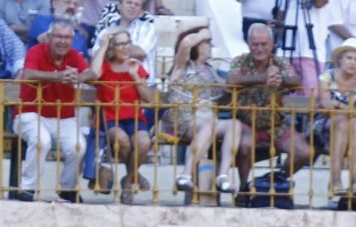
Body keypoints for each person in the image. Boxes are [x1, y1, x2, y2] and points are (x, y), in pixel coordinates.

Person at [12, 14, 93, 201]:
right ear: (49, 37)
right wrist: (59, 76)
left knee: (78, 146)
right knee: (42, 141)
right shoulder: (36, 51)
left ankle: (67, 189)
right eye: (58, 36)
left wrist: (78, 77)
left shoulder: (74, 55)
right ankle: (27, 188)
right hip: (30, 113)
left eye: (67, 38)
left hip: (63, 116)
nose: (62, 41)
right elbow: (28, 74)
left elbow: (92, 72)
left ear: (72, 40)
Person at [224, 23, 310, 195]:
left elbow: (296, 80)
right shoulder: (240, 61)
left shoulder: (280, 62)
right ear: (249, 44)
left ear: (271, 45)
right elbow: (231, 81)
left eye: (264, 44)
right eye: (255, 44)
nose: (259, 48)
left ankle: (275, 179)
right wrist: (263, 78)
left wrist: (280, 80)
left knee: (304, 152)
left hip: (275, 125)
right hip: (246, 123)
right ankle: (243, 188)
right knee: (245, 146)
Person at [162, 27, 232, 196]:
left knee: (234, 125)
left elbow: (223, 96)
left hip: (207, 119)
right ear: (197, 45)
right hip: (183, 117)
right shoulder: (183, 65)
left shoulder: (211, 71)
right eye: (207, 42)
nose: (211, 45)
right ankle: (185, 176)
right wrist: (204, 31)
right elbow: (186, 42)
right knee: (207, 127)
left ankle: (223, 176)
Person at [89, 27, 154, 201]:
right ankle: (135, 177)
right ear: (111, 48)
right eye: (120, 44)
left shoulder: (135, 66)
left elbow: (148, 99)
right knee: (122, 140)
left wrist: (135, 77)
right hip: (109, 118)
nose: (126, 47)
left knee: (144, 142)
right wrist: (102, 47)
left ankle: (128, 179)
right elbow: (94, 76)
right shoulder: (102, 65)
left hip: (134, 117)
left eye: (127, 43)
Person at [319, 37, 356, 200]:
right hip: (324, 125)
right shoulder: (327, 77)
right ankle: (335, 180)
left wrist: (340, 106)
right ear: (340, 59)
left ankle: (355, 180)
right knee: (344, 121)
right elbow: (326, 103)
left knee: (355, 123)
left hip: (352, 124)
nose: (352, 62)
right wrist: (346, 109)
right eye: (349, 58)